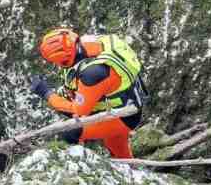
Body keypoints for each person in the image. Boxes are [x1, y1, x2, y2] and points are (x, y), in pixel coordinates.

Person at [30, 28, 145, 159]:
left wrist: (46, 93)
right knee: (117, 147)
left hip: (123, 117)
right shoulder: (87, 44)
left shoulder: (93, 74)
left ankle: (76, 166)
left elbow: (78, 112)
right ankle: (130, 170)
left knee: (70, 132)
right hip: (126, 102)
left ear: (64, 60)